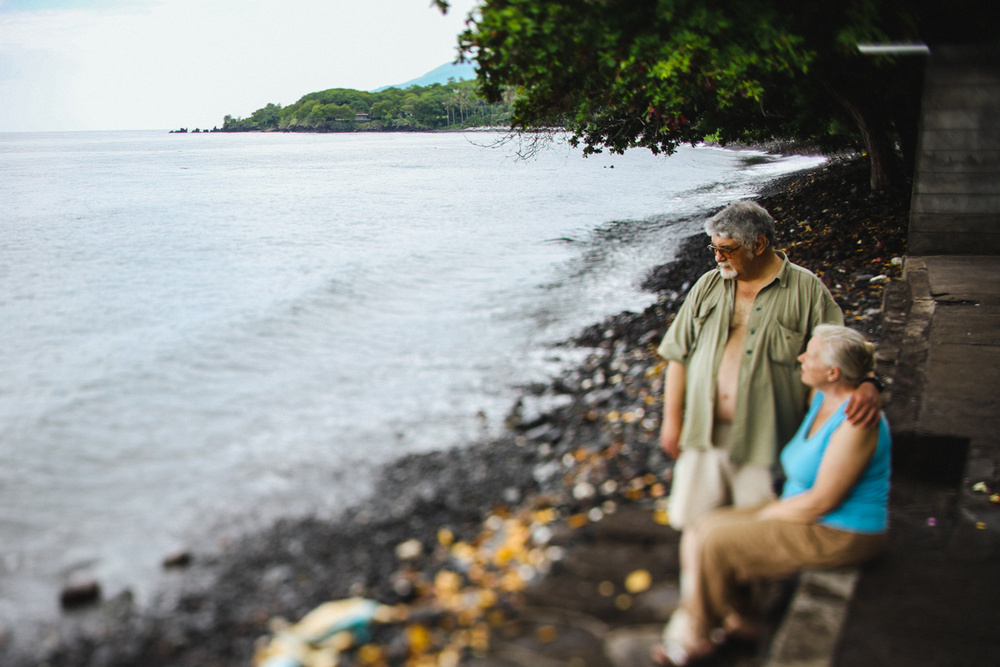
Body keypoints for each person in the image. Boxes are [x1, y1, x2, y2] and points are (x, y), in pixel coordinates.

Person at [653, 325, 892, 666]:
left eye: (810, 354)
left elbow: (824, 500)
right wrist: (870, 382)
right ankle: (742, 624)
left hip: (841, 530)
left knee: (718, 541)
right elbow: (859, 366)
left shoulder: (856, 420)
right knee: (706, 526)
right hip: (805, 512)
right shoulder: (822, 395)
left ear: (833, 372)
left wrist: (767, 515)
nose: (801, 358)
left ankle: (697, 635)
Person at [657, 201, 882, 531]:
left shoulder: (807, 291)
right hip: (704, 434)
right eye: (714, 248)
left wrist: (869, 384)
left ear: (759, 244)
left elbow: (843, 353)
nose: (718, 257)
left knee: (759, 530)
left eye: (727, 250)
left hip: (769, 438)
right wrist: (671, 421)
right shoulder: (708, 285)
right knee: (691, 523)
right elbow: (678, 355)